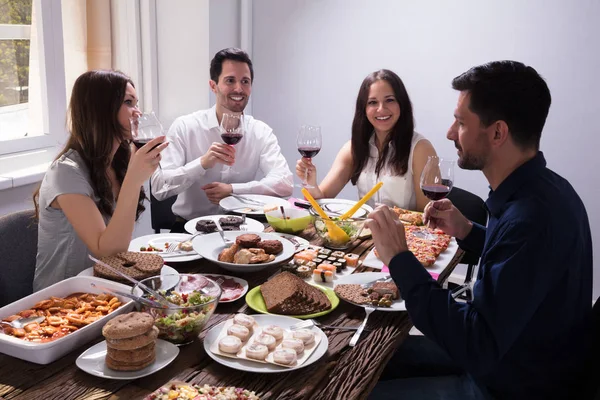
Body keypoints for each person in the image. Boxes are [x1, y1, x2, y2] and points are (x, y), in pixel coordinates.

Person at [366, 61, 592, 399]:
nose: (449, 133)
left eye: (460, 122)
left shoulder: (530, 218)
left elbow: (476, 343)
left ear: (498, 133)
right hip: (506, 352)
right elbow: (519, 267)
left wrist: (399, 258)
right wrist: (469, 231)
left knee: (359, 390)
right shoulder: (545, 192)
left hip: (507, 382)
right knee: (377, 358)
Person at [32, 70, 167, 291]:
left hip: (104, 286)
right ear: (101, 109)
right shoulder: (65, 172)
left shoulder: (119, 161)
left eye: (136, 102)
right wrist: (133, 181)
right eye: (128, 102)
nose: (138, 113)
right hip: (65, 298)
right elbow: (107, 252)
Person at [151, 48, 293, 232]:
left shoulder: (260, 131)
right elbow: (159, 188)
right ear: (213, 86)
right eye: (230, 80)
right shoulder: (185, 126)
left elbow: (284, 183)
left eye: (245, 81)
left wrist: (233, 189)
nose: (239, 89)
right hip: (188, 230)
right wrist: (201, 164)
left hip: (241, 230)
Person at [296, 69, 436, 211]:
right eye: (373, 102)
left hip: (406, 232)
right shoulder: (354, 148)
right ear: (364, 108)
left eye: (389, 100)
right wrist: (311, 183)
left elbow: (428, 219)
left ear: (402, 104)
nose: (381, 109)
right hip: (364, 232)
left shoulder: (420, 149)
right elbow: (320, 203)